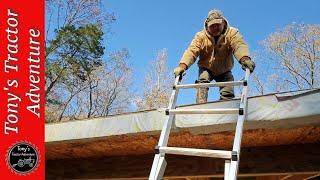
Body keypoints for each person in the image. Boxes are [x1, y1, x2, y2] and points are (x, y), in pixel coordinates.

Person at [174, 9, 255, 103]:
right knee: (203, 81)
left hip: (224, 69)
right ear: (207, 27)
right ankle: (201, 104)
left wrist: (244, 59)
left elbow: (239, 45)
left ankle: (226, 105)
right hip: (206, 67)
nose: (216, 27)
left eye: (218, 24)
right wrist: (182, 66)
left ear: (223, 23)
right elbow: (192, 51)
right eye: (212, 25)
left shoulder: (232, 33)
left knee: (228, 87)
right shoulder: (200, 36)